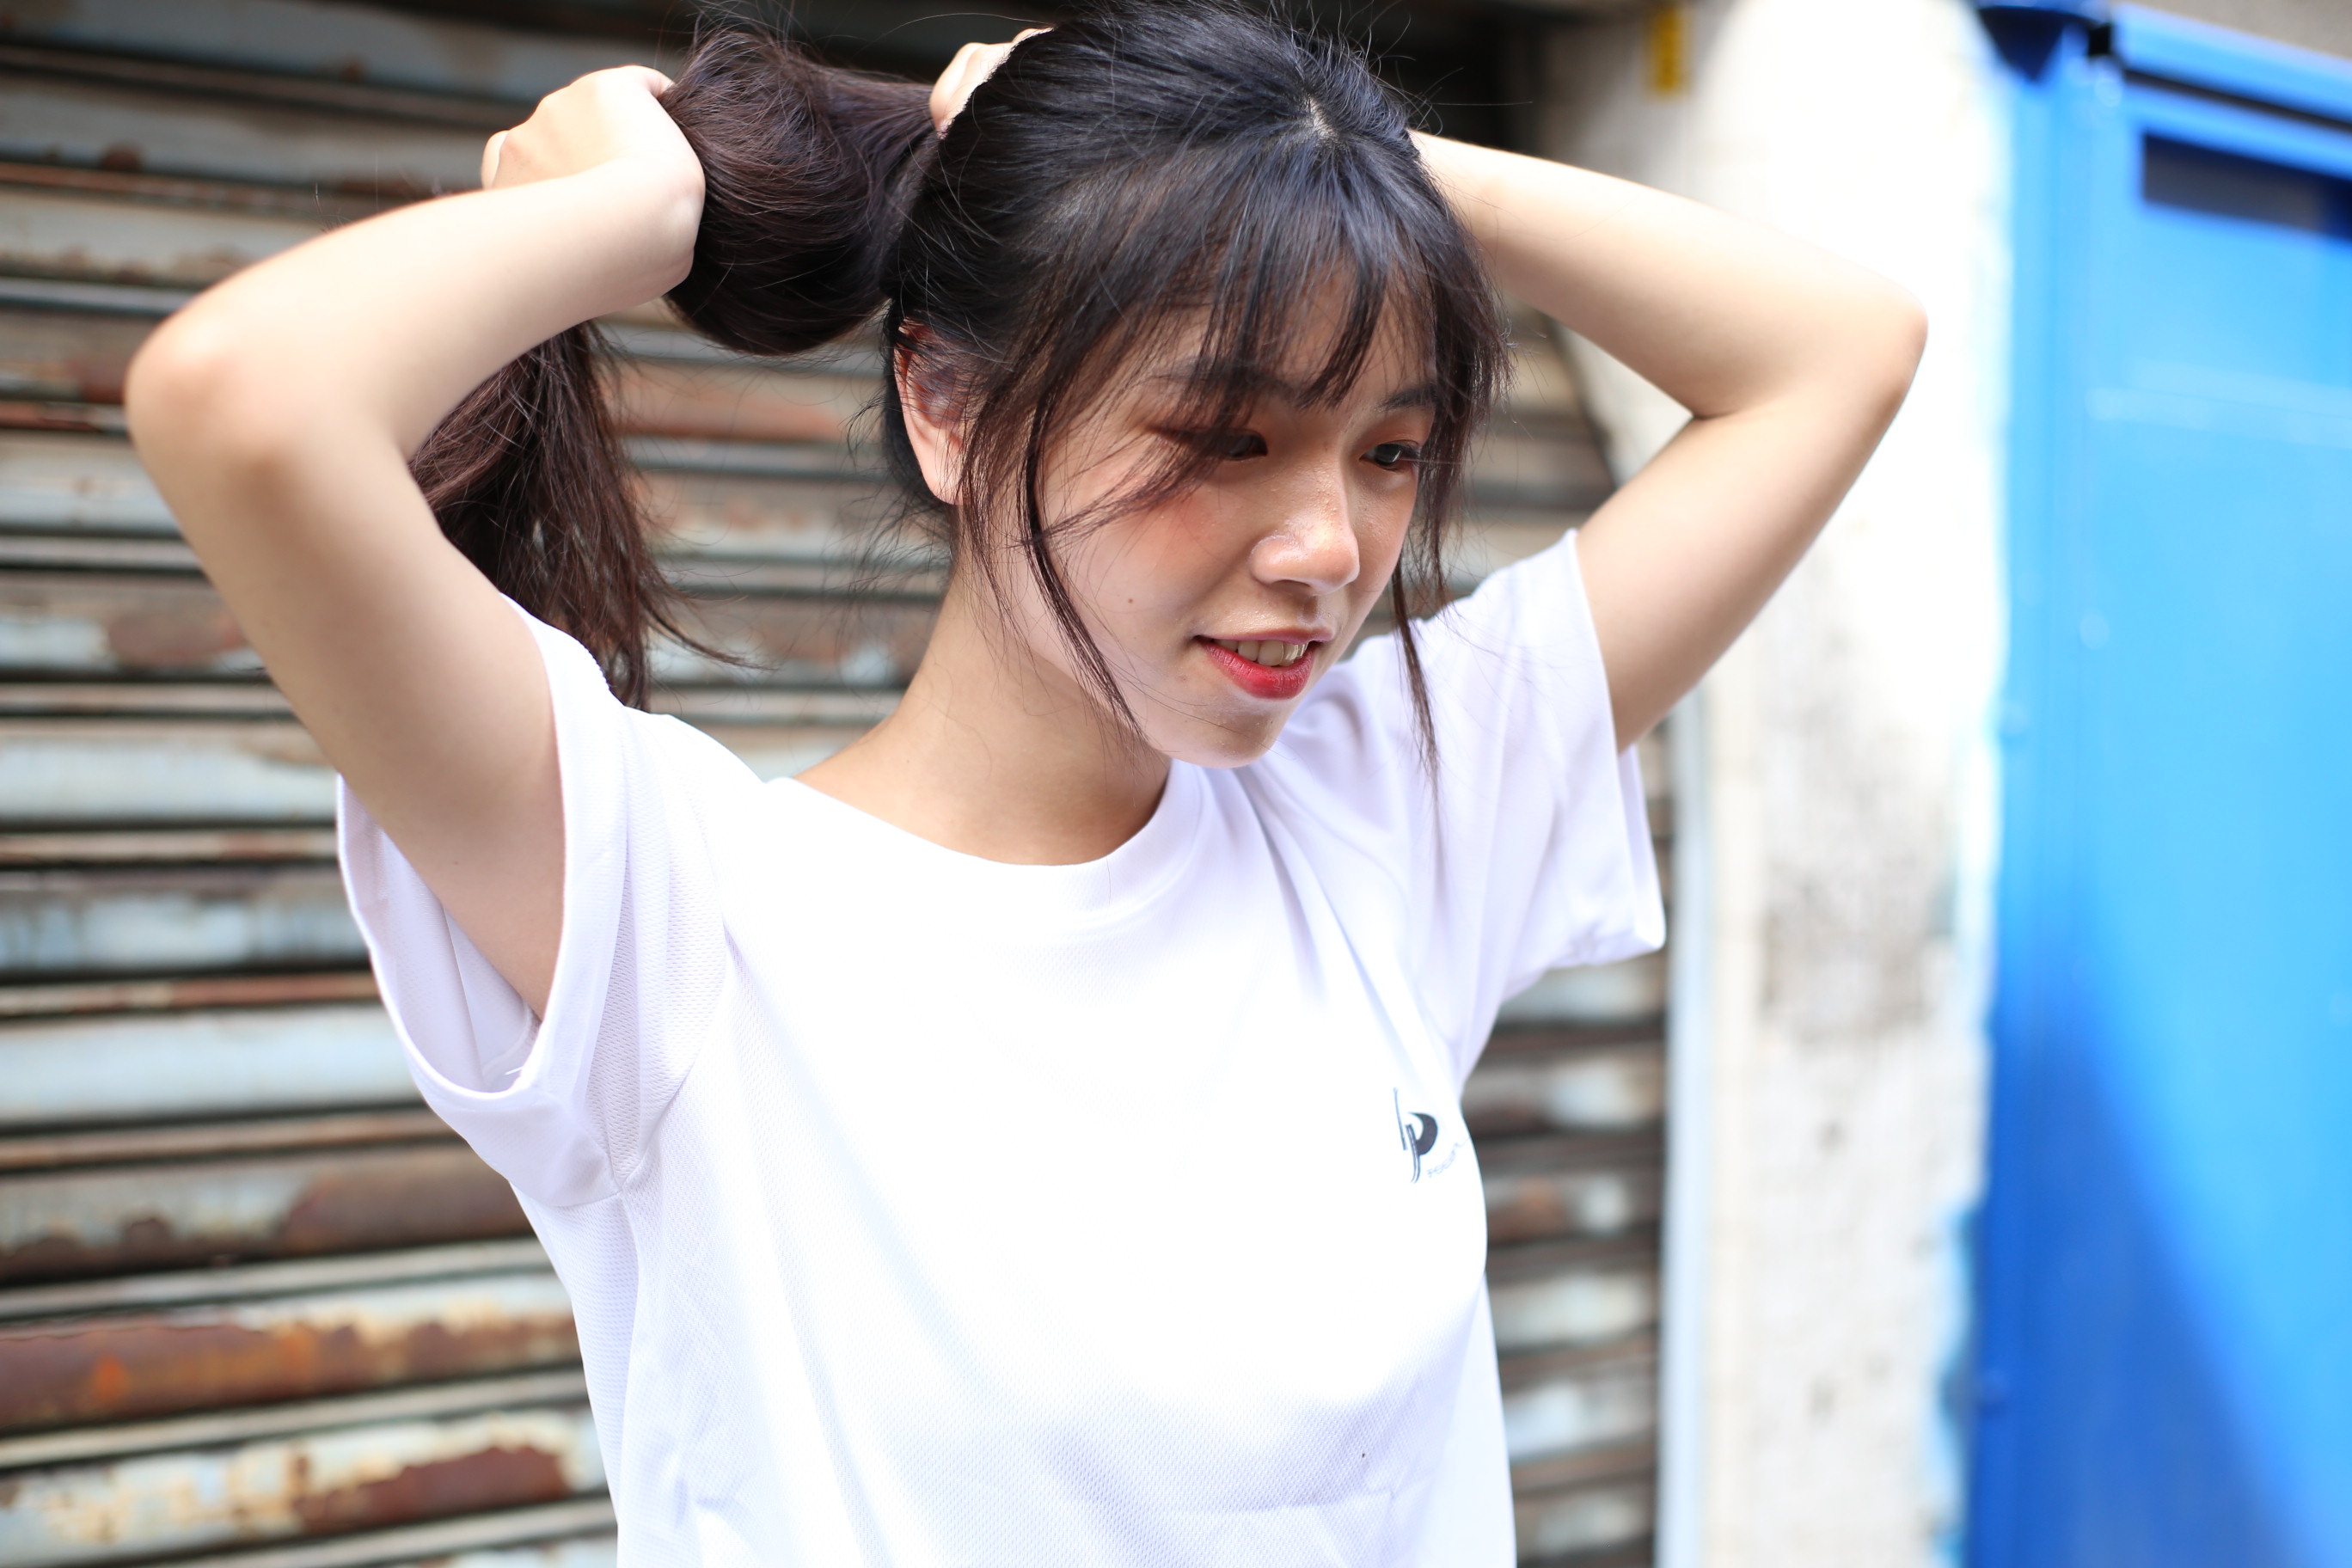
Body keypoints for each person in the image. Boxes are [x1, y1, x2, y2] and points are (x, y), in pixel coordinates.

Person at [125, 5, 1923, 1562]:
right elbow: (241, 400)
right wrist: (625, 212)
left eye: (1391, 451)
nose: (1330, 546)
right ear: (949, 406)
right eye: (1226, 436)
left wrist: (1315, 160)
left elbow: (1838, 350)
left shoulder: (1384, 814)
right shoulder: (676, 920)